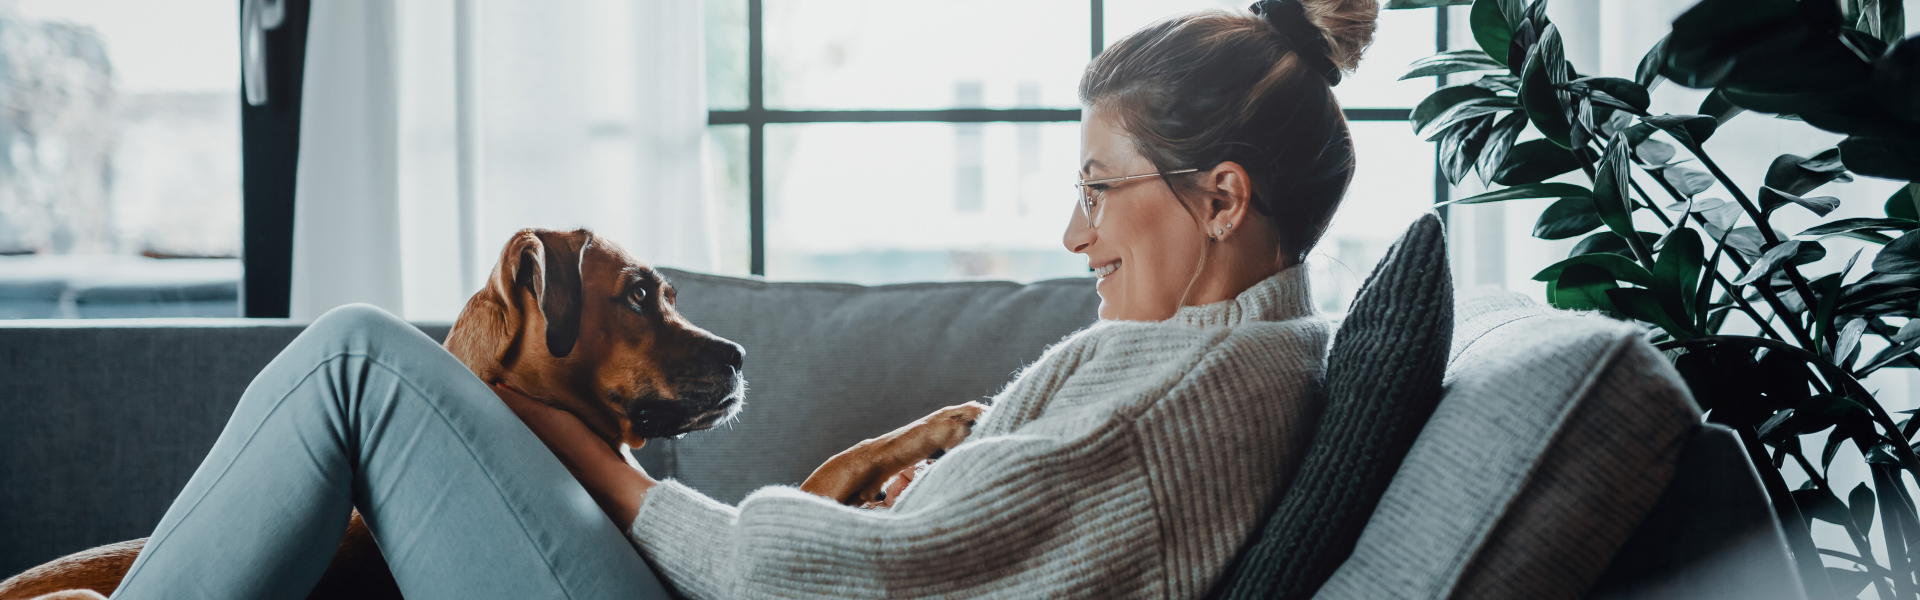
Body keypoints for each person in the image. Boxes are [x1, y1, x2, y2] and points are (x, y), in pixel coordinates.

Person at [105, 1, 1376, 598]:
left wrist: (605, 476)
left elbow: (815, 576)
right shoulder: (1216, 366)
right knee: (366, 368)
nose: (1071, 231)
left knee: (358, 362)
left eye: (1102, 191)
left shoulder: (1173, 410)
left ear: (1221, 198)